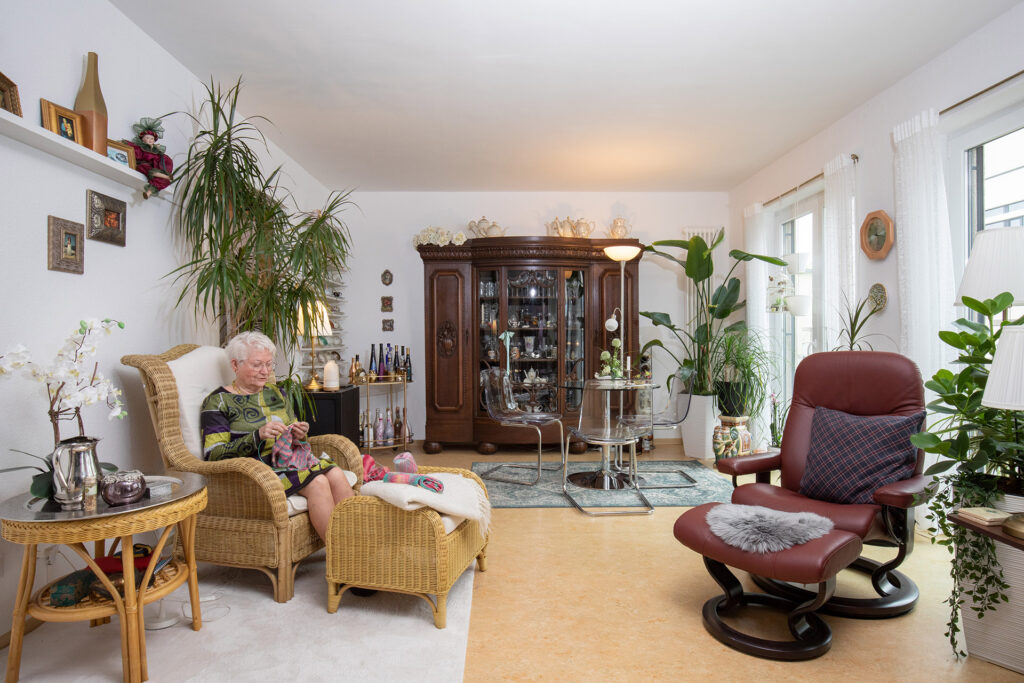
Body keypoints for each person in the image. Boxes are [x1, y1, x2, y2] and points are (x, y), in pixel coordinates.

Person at [200, 331, 353, 540]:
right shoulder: (218, 401)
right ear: (235, 365)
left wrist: (300, 434)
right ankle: (340, 557)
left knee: (335, 473)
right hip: (256, 472)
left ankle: (356, 545)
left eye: (269, 364)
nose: (265, 371)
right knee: (318, 483)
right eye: (257, 365)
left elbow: (294, 436)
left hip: (288, 461)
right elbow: (213, 455)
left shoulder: (275, 393)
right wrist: (258, 436)